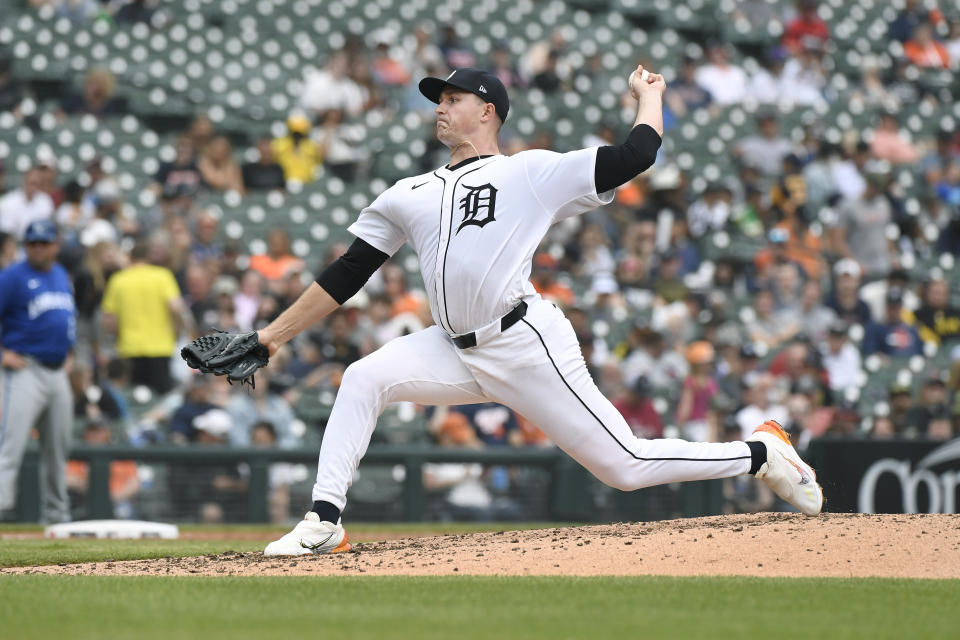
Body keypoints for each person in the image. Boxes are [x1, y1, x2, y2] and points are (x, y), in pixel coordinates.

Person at [202, 66, 822, 556]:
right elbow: (348, 273)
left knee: (625, 467)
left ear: (488, 108)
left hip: (524, 344)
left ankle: (762, 453)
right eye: (436, 99)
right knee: (363, 377)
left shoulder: (530, 173)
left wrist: (649, 95)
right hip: (451, 347)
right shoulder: (406, 193)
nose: (440, 107)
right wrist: (271, 337)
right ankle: (323, 519)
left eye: (453, 98)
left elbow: (637, 155)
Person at [0, 220, 75, 523]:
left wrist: (71, 352)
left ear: (56, 245)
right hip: (25, 371)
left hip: (58, 373)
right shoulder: (12, 277)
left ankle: (57, 517)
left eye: (44, 242)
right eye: (33, 243)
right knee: (10, 446)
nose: (39, 248)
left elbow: (65, 320)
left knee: (58, 451)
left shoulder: (60, 275)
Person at [100, 240, 187, 394]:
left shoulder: (118, 280)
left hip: (129, 347)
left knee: (135, 398)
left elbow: (109, 321)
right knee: (160, 398)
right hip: (160, 347)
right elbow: (176, 307)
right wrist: (176, 331)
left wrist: (117, 335)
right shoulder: (162, 276)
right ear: (148, 257)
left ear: (130, 257)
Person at [0, 167, 55, 239]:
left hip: (40, 242)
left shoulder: (46, 201)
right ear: (24, 181)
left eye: (37, 184)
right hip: (16, 245)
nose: (33, 187)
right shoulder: (9, 201)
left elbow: (48, 228)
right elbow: (6, 232)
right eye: (31, 183)